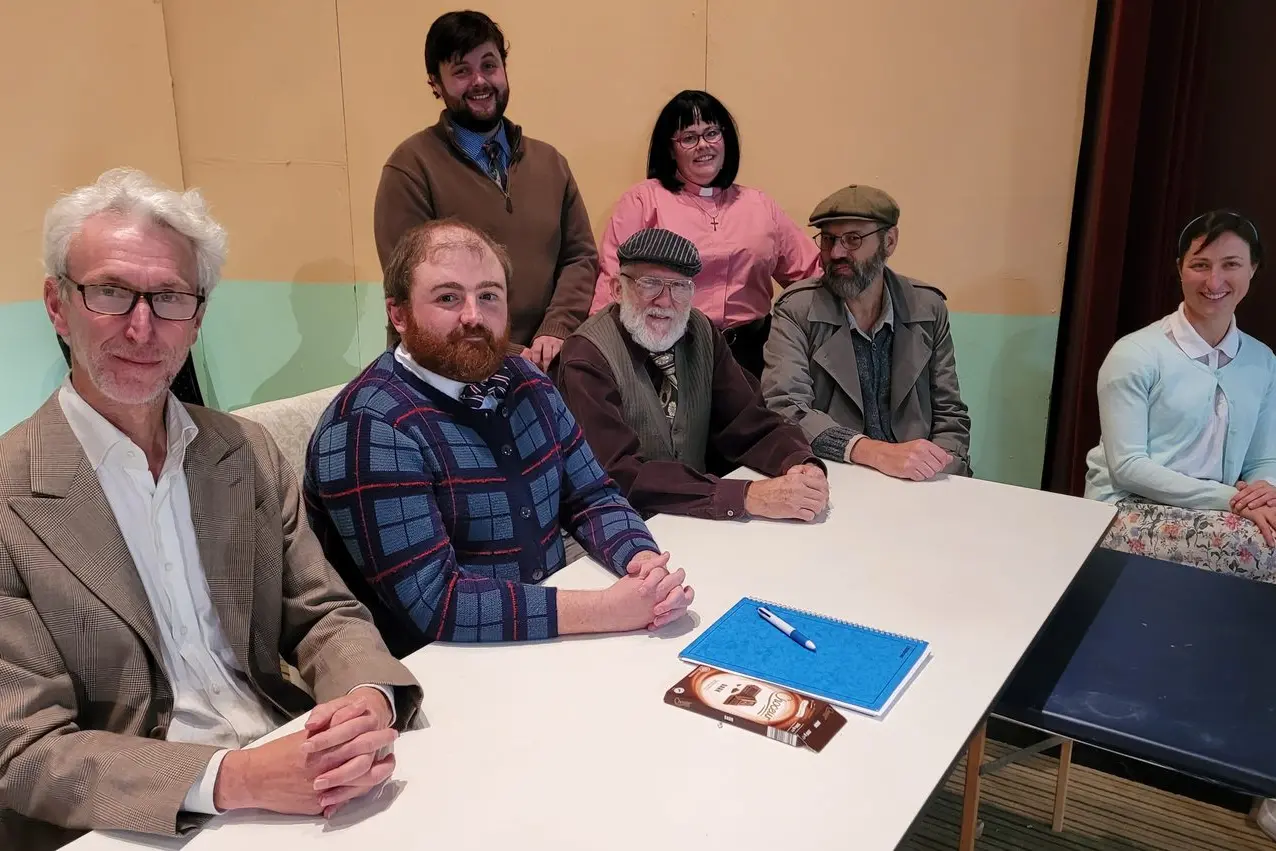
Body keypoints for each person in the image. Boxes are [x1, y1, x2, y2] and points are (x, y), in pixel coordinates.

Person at [0, 168, 422, 851]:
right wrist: (237, 777)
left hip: (292, 766)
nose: (142, 327)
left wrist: (366, 700)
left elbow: (323, 613)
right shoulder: (9, 496)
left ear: (196, 318)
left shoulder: (243, 451)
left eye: (169, 297)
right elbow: (26, 752)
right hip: (132, 820)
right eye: (110, 291)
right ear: (57, 304)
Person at [305, 219, 693, 658]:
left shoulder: (527, 380)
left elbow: (593, 496)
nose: (474, 316)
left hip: (546, 635)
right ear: (399, 315)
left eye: (488, 296)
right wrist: (608, 609)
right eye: (448, 297)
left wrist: (643, 566)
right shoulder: (368, 427)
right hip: (439, 671)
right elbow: (435, 604)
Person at [373, 10, 596, 372]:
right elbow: (411, 284)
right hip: (447, 371)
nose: (480, 81)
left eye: (489, 66)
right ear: (435, 83)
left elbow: (580, 257)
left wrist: (556, 329)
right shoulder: (411, 167)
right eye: (461, 71)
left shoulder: (550, 163)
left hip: (548, 363)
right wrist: (508, 351)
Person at [559, 228, 829, 522]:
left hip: (696, 518)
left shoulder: (701, 331)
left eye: (680, 286)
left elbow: (747, 422)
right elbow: (617, 473)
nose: (665, 301)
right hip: (620, 529)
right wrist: (746, 496)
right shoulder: (587, 355)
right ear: (617, 289)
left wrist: (798, 462)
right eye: (650, 284)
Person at [1085, 210, 1276, 584]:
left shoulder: (1262, 360)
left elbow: (1264, 459)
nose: (1214, 280)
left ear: (1253, 269)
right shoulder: (1136, 353)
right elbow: (1128, 468)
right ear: (1180, 269)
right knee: (1255, 547)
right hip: (1129, 507)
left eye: (1231, 264)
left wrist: (1264, 493)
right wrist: (1234, 501)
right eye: (1200, 265)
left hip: (1225, 510)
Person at [587, 90, 819, 378]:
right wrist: (595, 354)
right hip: (671, 354)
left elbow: (811, 274)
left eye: (711, 133)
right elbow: (613, 282)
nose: (703, 145)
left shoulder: (760, 205)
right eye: (688, 137)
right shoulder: (643, 201)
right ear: (671, 149)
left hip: (755, 355)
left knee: (757, 423)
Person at [762, 184, 971, 481]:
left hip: (921, 482)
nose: (835, 252)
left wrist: (940, 472)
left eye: (852, 239)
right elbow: (786, 408)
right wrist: (873, 452)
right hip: (837, 476)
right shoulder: (796, 309)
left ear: (889, 241)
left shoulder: (927, 307)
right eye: (829, 239)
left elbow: (949, 413)